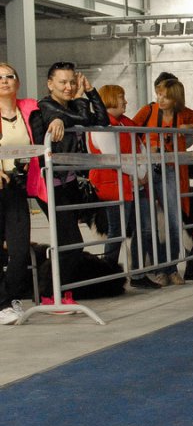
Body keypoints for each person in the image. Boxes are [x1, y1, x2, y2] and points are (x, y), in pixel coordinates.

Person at [36, 61, 109, 305]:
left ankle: (61, 290)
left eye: (72, 82)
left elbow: (101, 120)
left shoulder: (70, 108)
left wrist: (91, 91)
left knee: (70, 242)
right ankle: (49, 293)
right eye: (62, 82)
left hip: (68, 183)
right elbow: (83, 118)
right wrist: (78, 100)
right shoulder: (45, 106)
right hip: (49, 185)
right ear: (50, 84)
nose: (68, 87)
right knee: (71, 243)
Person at [132, 78, 193, 287]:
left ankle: (172, 268)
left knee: (174, 221)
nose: (160, 99)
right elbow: (130, 129)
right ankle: (158, 269)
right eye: (159, 94)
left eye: (165, 96)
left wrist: (189, 126)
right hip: (147, 171)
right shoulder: (148, 110)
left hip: (171, 171)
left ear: (175, 99)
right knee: (149, 225)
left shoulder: (183, 113)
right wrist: (144, 148)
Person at [0, 62, 62, 324]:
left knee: (20, 249)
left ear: (18, 82)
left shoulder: (29, 108)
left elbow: (50, 112)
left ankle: (10, 297)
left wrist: (56, 118)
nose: (4, 81)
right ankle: (3, 303)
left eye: (9, 76)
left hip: (16, 188)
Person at [87, 85, 160, 290]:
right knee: (117, 232)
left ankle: (137, 273)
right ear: (110, 99)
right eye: (121, 97)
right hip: (115, 187)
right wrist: (140, 174)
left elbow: (140, 149)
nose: (125, 101)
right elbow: (113, 157)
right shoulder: (102, 126)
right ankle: (108, 276)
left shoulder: (126, 123)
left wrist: (142, 173)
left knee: (143, 228)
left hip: (134, 184)